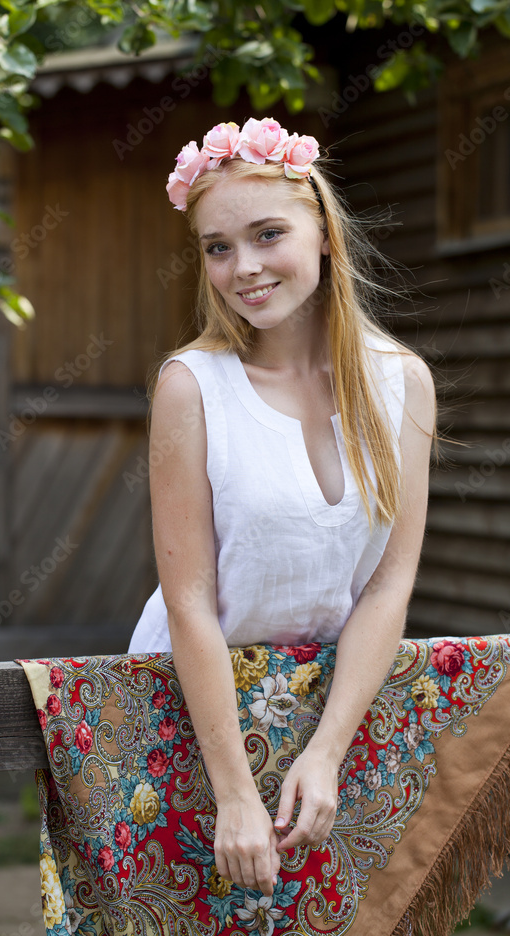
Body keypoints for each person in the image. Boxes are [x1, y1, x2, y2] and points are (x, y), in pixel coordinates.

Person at [128, 116, 437, 905]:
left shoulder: (401, 383)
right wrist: (232, 792)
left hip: (331, 705)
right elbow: (189, 600)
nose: (244, 268)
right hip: (192, 713)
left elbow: (387, 584)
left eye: (268, 234)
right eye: (217, 246)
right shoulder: (192, 388)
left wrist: (329, 749)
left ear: (324, 233)